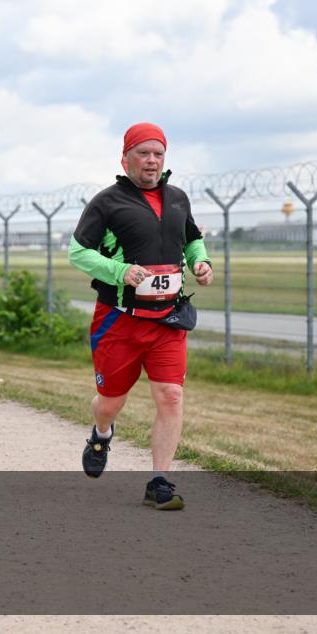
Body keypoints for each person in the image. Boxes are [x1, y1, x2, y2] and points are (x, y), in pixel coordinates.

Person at [68, 122, 213, 510]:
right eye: (143, 153)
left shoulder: (178, 198)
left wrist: (201, 263)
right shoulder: (107, 202)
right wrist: (120, 272)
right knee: (110, 401)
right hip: (120, 320)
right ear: (125, 158)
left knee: (171, 395)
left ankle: (159, 482)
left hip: (168, 319)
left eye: (158, 154)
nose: (152, 161)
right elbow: (78, 253)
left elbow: (193, 238)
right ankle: (101, 433)